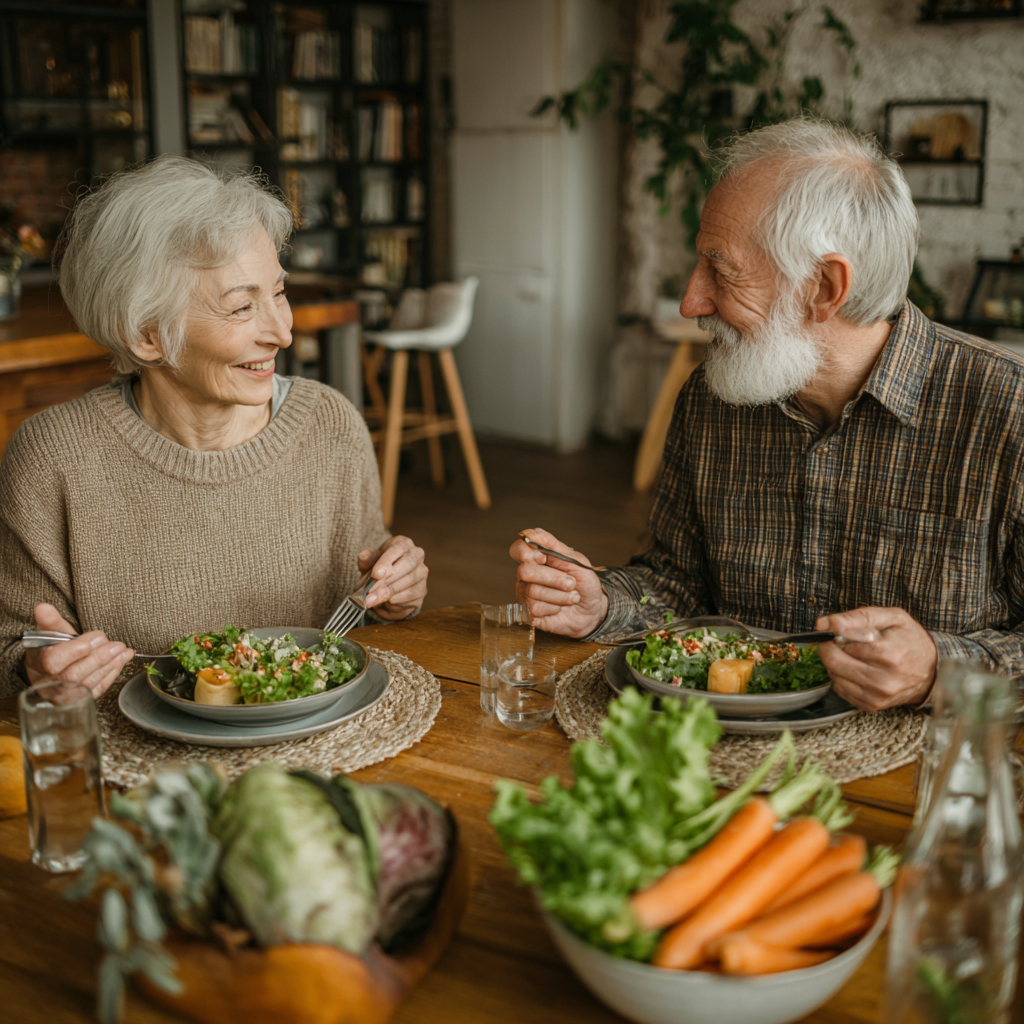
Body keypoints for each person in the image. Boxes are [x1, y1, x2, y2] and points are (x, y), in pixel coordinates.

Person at [512, 116, 1024, 712]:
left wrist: (938, 669)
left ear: (825, 287)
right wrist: (601, 602)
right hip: (721, 751)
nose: (690, 301)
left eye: (720, 269)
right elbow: (678, 585)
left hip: (916, 769)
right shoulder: (710, 398)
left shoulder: (1007, 409)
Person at [0, 157, 428, 699]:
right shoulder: (53, 456)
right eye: (242, 306)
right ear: (146, 336)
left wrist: (399, 597)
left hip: (316, 748)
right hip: (141, 767)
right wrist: (38, 668)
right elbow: (14, 646)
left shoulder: (330, 425)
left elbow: (366, 623)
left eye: (278, 292)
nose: (282, 332)